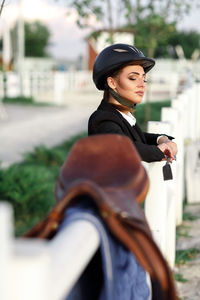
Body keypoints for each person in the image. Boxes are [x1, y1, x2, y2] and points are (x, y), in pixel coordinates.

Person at [88, 43, 177, 163]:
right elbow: (125, 147)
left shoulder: (121, 116)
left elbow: (137, 138)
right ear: (112, 83)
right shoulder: (102, 120)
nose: (142, 84)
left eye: (144, 79)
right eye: (133, 78)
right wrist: (159, 151)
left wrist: (161, 139)